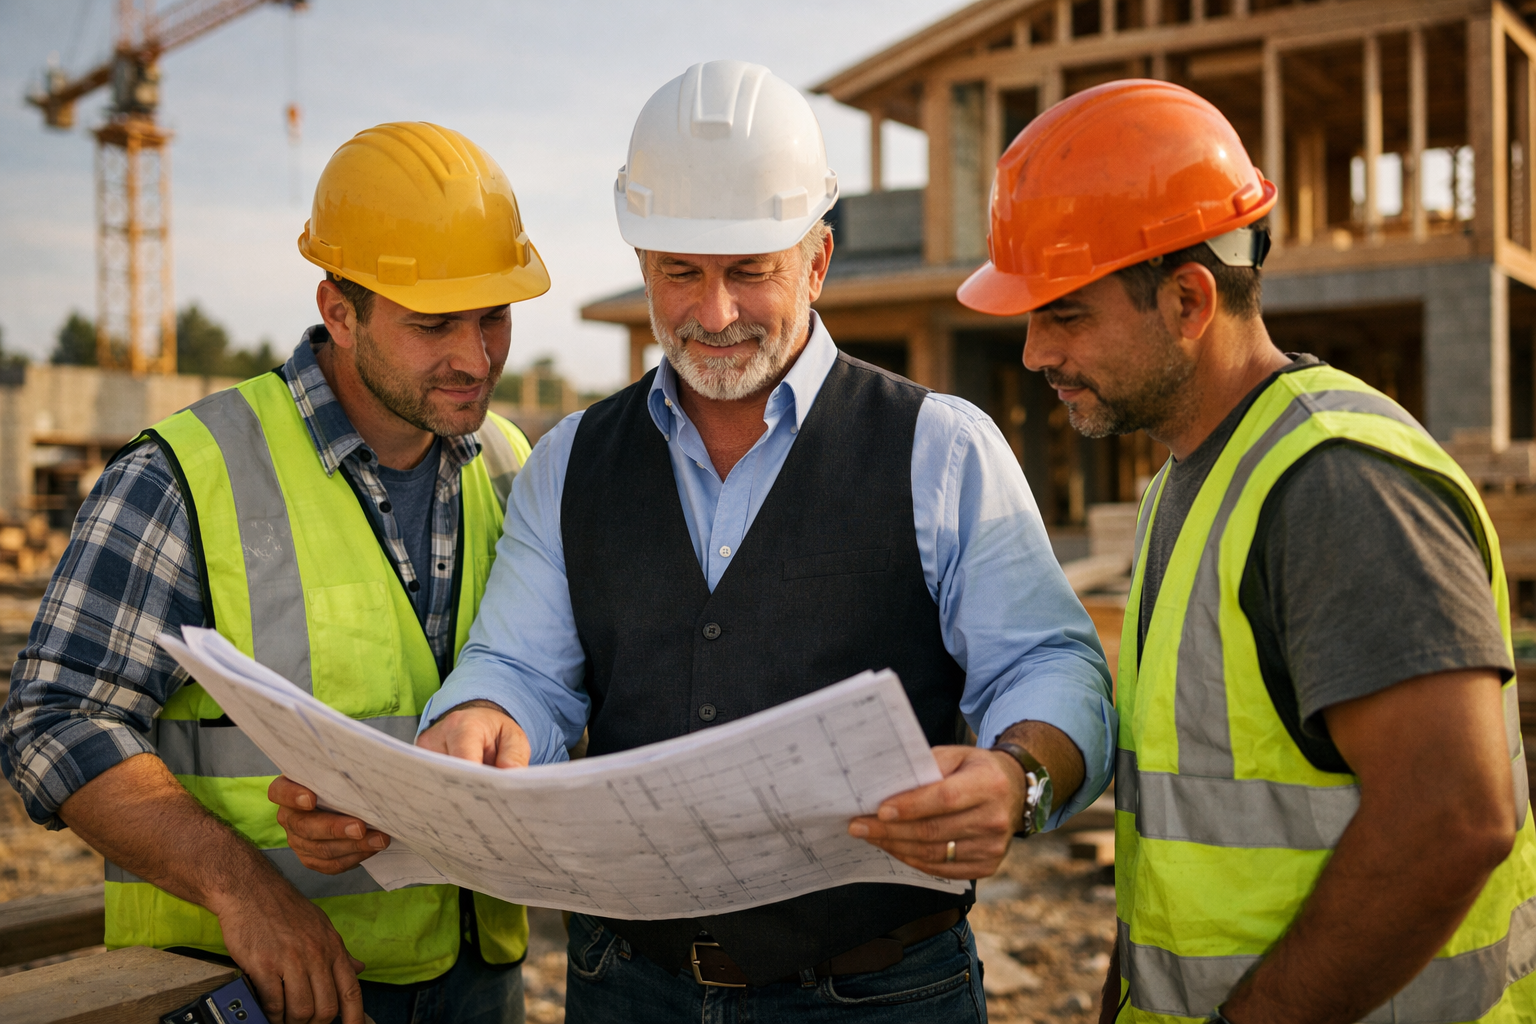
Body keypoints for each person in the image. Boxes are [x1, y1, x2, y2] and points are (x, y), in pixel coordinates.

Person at [271, 60, 1116, 1022]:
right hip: (626, 987)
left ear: (818, 260)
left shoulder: (941, 449)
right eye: (681, 273)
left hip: (879, 992)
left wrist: (1021, 774)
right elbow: (522, 669)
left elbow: (1052, 663)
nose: (713, 314)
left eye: (750, 272)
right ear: (642, 264)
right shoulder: (571, 462)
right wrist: (473, 730)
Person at [957, 78, 1536, 1024]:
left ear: (1188, 299)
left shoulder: (1337, 486)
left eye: (1063, 314)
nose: (1031, 355)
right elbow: (1177, 844)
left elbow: (1455, 819)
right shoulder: (1185, 487)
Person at [0, 121, 551, 1024]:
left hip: (473, 977)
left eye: (494, 316)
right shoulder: (188, 472)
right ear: (339, 311)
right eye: (433, 323)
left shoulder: (505, 461)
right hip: (254, 984)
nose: (476, 356)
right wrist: (243, 889)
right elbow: (53, 721)